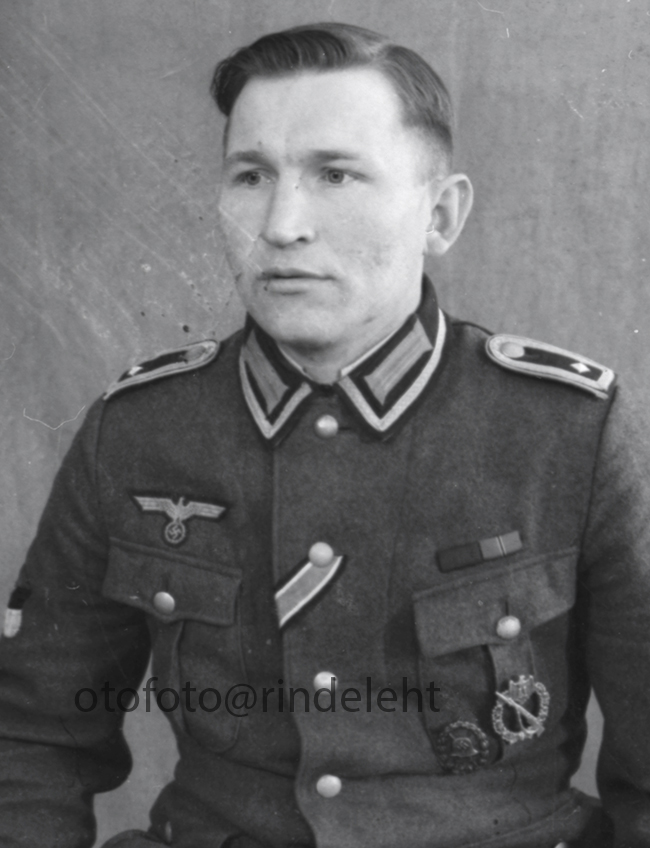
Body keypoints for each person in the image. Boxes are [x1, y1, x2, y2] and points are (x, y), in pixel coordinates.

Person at [0, 20, 648, 848]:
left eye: (335, 174)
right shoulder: (138, 431)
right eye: (251, 176)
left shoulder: (568, 431)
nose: (282, 224)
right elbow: (30, 741)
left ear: (441, 214)